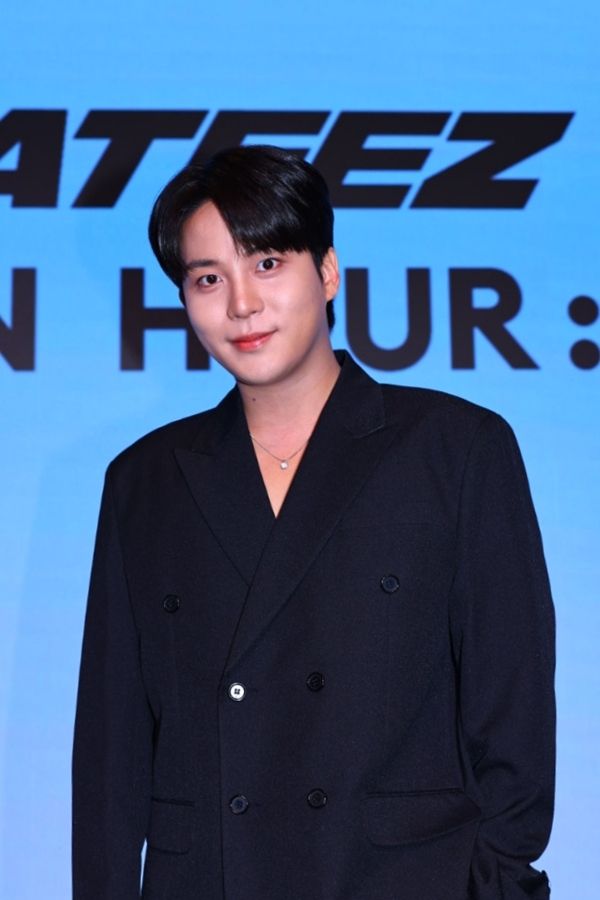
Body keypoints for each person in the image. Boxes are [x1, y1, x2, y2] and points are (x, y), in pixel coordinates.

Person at [72, 145, 555, 900]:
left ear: (327, 272)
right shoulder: (144, 482)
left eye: (267, 264)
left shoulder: (456, 450)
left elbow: (514, 718)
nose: (241, 305)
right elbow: (111, 757)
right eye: (208, 279)